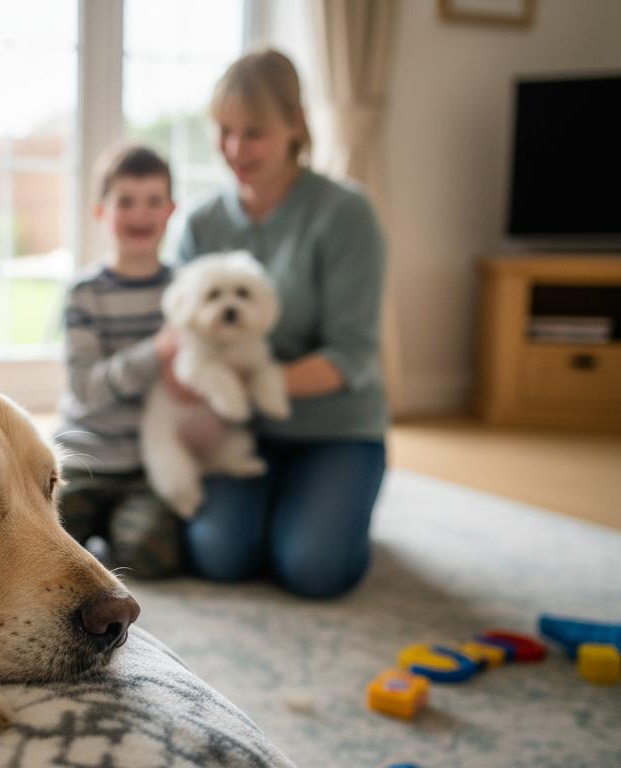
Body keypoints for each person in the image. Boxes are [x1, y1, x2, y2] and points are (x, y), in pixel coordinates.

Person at [173, 49, 388, 598]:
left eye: (254, 133)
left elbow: (353, 354)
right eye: (224, 132)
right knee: (218, 555)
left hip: (334, 429)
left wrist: (251, 383)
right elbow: (181, 333)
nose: (235, 150)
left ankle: (326, 505)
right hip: (240, 429)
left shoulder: (345, 214)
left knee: (315, 570)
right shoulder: (203, 222)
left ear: (295, 123)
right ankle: (285, 511)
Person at [54, 144, 186, 579]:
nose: (140, 214)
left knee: (149, 557)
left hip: (145, 466)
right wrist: (156, 351)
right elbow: (86, 388)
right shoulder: (84, 293)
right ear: (100, 212)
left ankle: (115, 529)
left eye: (153, 201)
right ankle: (92, 526)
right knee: (39, 549)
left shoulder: (185, 291)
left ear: (171, 211)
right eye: (125, 201)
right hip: (82, 458)